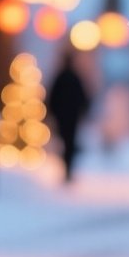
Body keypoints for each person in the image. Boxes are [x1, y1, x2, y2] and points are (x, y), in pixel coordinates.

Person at [46, 48, 92, 183]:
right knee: (69, 143)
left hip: (64, 117)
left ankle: (67, 168)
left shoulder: (61, 77)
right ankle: (67, 168)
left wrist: (52, 112)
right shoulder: (73, 77)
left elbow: (52, 98)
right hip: (71, 117)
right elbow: (83, 97)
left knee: (66, 142)